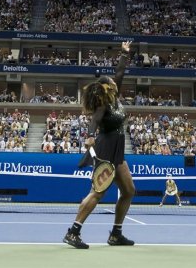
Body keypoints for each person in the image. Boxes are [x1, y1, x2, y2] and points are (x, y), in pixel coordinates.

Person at [64, 40, 136, 249]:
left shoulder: (116, 98)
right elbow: (94, 120)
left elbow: (120, 73)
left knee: (129, 190)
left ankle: (116, 234)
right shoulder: (103, 105)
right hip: (105, 149)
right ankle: (73, 232)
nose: (116, 82)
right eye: (112, 82)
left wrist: (124, 53)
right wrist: (89, 136)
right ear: (107, 87)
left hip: (118, 151)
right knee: (98, 192)